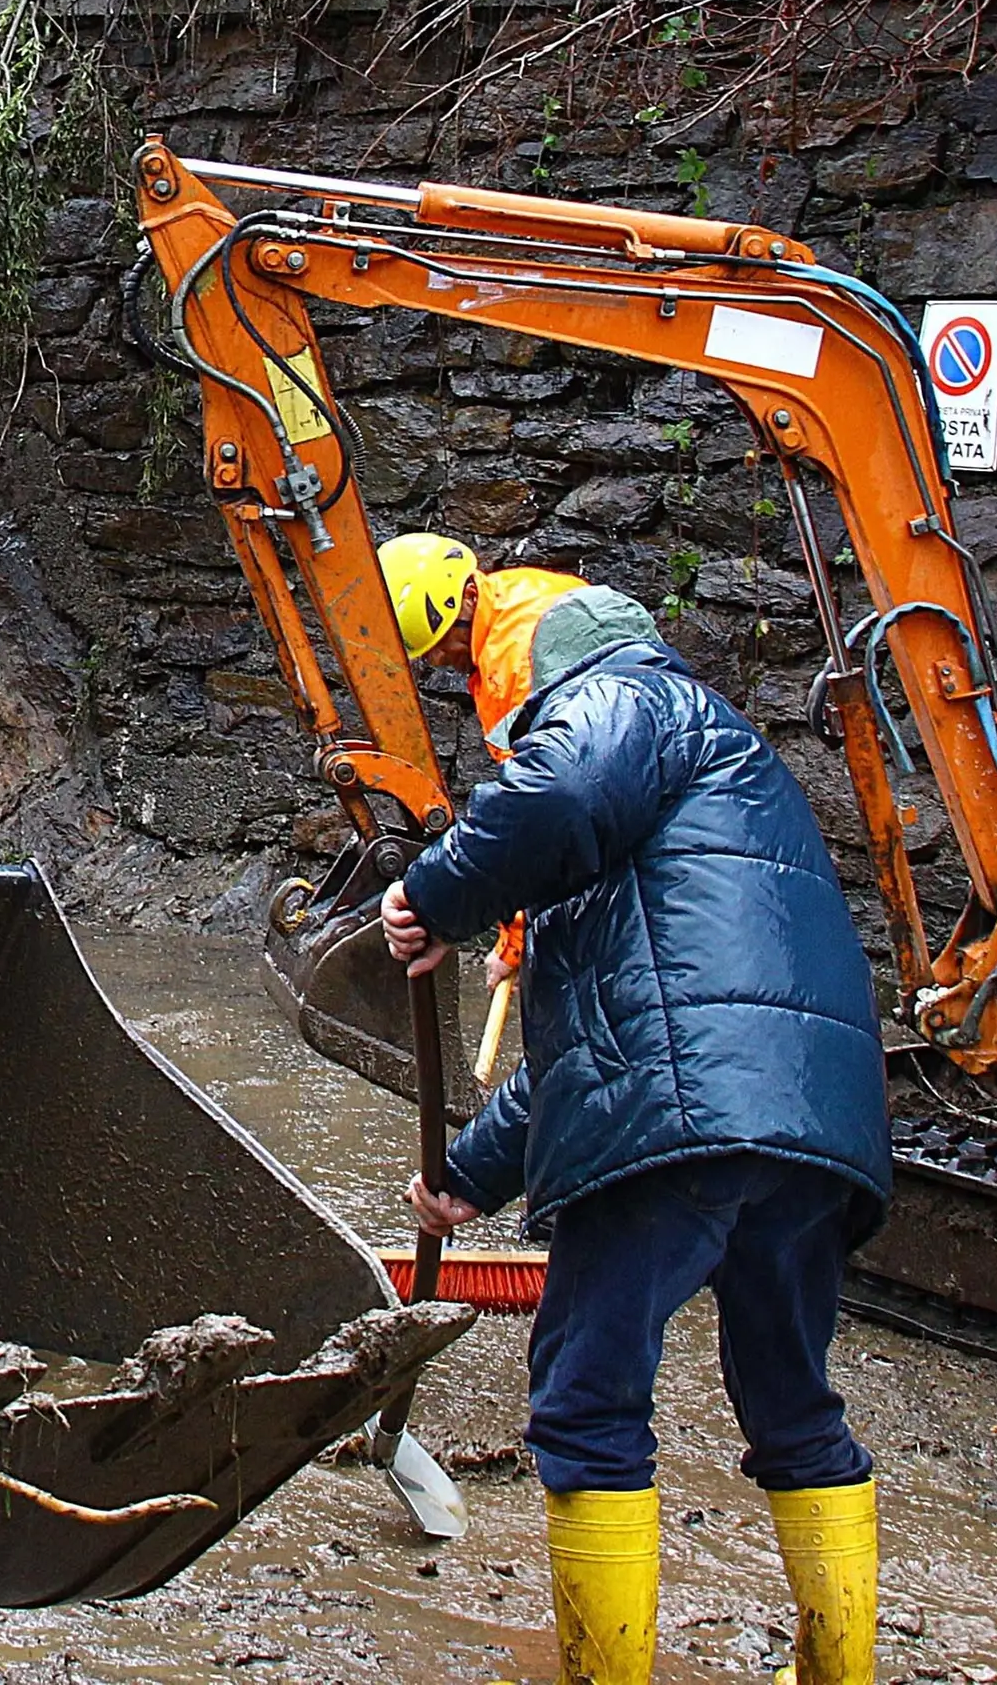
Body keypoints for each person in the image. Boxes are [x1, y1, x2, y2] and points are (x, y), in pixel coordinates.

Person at [371, 532, 889, 1685]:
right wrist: (465, 1174)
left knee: (586, 1405)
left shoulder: (622, 701)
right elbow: (616, 1048)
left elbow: (551, 792)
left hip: (683, 1128)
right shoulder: (716, 780)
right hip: (806, 1127)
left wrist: (437, 892)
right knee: (795, 1405)